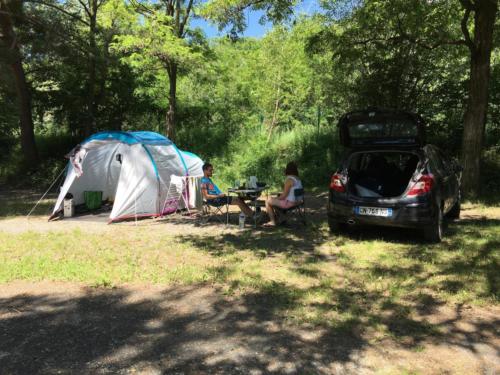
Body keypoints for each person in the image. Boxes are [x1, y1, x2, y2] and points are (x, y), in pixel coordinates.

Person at [263, 161, 303, 227]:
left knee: (267, 201)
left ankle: (273, 221)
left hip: (290, 203)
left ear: (288, 169)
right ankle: (280, 218)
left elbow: (284, 196)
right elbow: (290, 193)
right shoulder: (298, 179)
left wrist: (275, 199)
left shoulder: (289, 180)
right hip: (298, 202)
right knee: (274, 200)